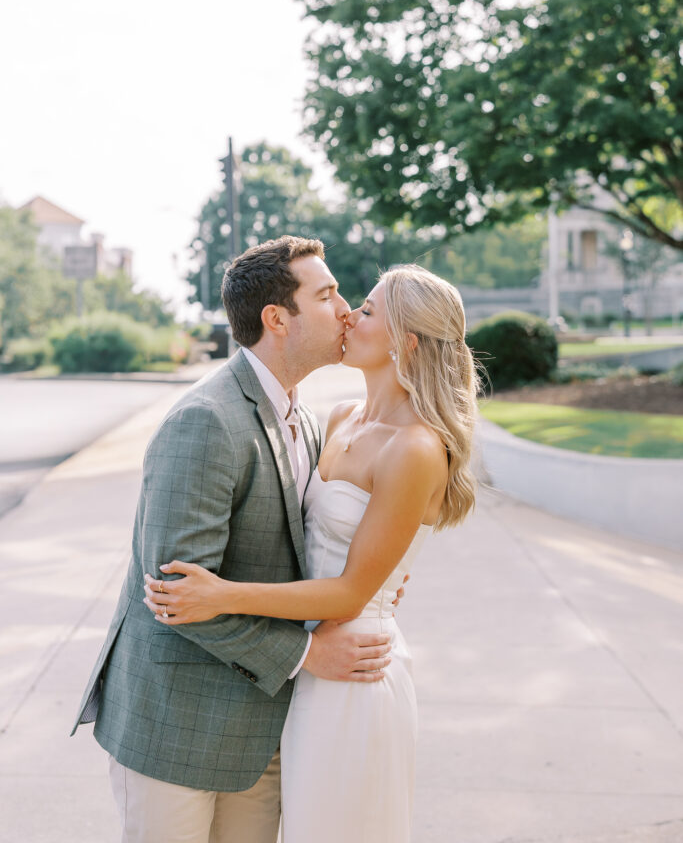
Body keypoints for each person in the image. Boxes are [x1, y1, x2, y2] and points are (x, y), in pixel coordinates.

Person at [71, 235, 395, 843]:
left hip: (261, 722)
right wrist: (307, 655)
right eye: (326, 295)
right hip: (176, 722)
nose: (346, 308)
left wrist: (367, 586)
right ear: (278, 319)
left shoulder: (304, 417)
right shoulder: (206, 422)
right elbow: (175, 594)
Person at [142, 263, 480, 843]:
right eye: (341, 299)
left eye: (367, 309)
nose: (349, 313)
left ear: (408, 340)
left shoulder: (416, 448)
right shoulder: (340, 418)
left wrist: (220, 594)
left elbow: (352, 591)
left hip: (355, 669)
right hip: (305, 672)